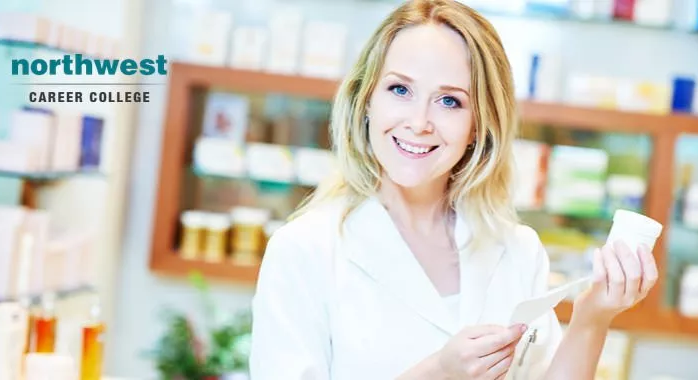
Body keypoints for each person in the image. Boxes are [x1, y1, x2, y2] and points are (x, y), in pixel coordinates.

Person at [248, 0, 658, 379]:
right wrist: (437, 372)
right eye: (400, 90)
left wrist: (592, 318)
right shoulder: (305, 250)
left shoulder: (517, 250)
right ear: (366, 100)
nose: (419, 121)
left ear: (478, 125)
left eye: (449, 102)